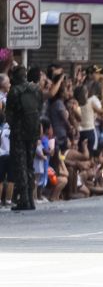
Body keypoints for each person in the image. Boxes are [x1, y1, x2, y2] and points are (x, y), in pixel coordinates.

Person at [5, 65, 43, 211]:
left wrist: (15, 126)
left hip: (19, 133)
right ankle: (31, 200)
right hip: (33, 131)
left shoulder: (14, 92)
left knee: (20, 165)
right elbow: (39, 109)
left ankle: (24, 200)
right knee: (30, 165)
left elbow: (9, 115)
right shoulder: (36, 90)